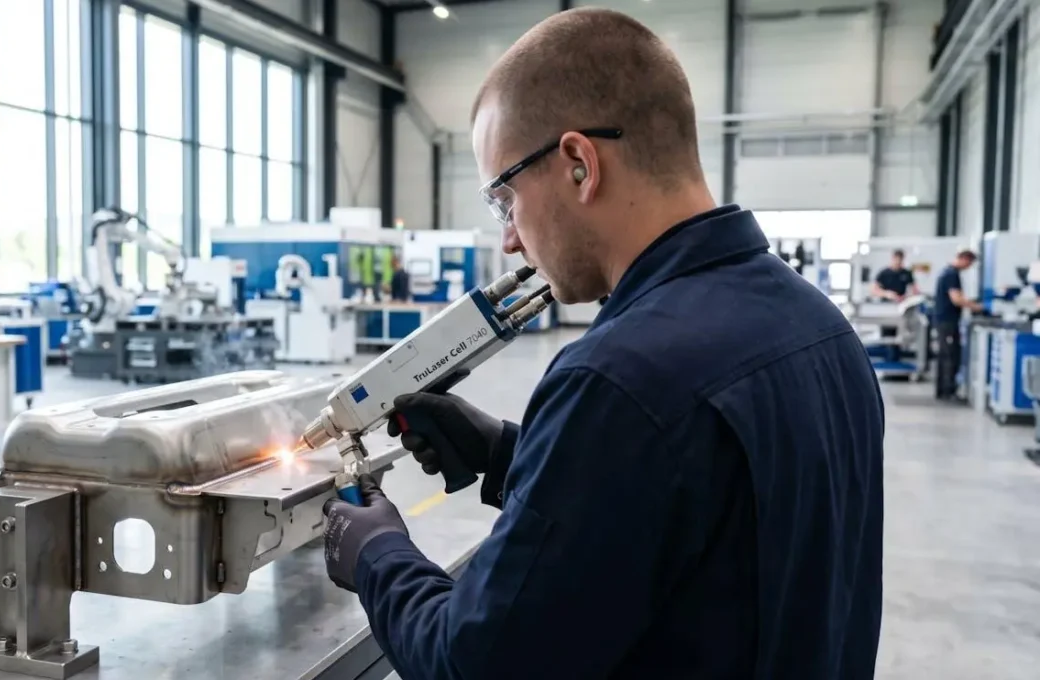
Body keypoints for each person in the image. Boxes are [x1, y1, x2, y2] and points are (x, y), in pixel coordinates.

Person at [320, 8, 884, 680]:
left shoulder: (621, 377)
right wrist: (511, 451)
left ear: (579, 165)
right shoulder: (819, 326)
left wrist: (378, 553)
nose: (509, 238)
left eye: (504, 200)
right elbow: (706, 526)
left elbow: (473, 664)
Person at [933, 249, 982, 400]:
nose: (969, 267)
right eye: (970, 263)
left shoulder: (946, 272)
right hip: (947, 321)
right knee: (949, 355)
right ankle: (948, 391)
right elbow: (956, 299)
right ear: (964, 259)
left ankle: (943, 390)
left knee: (945, 355)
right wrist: (977, 307)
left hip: (944, 320)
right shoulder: (952, 274)